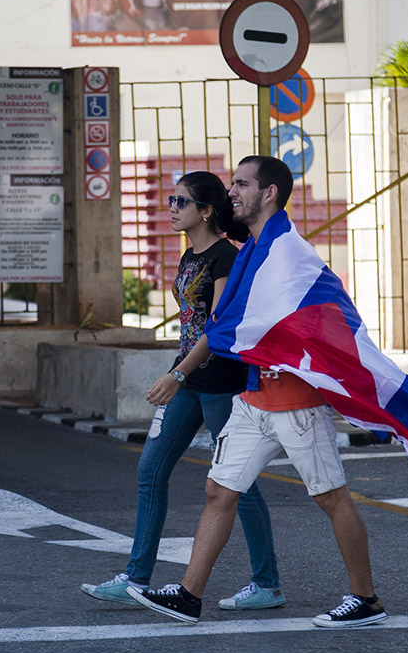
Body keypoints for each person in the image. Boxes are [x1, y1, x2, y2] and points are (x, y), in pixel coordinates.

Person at [127, 156, 408, 628]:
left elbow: (316, 315)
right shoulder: (257, 246)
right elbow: (230, 323)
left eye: (241, 184)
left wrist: (182, 372)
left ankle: (366, 600)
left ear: (269, 194)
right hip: (255, 397)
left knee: (330, 497)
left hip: (295, 402)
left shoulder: (287, 252)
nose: (231, 192)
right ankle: (189, 596)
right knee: (219, 489)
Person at [80, 170, 285, 612]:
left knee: (236, 485)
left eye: (180, 203)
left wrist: (177, 374)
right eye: (170, 201)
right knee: (150, 472)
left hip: (219, 383)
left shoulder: (225, 259)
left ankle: (267, 583)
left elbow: (218, 326)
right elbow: (189, 325)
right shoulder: (189, 257)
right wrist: (179, 373)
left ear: (206, 210)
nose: (171, 209)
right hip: (189, 379)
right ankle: (136, 578)